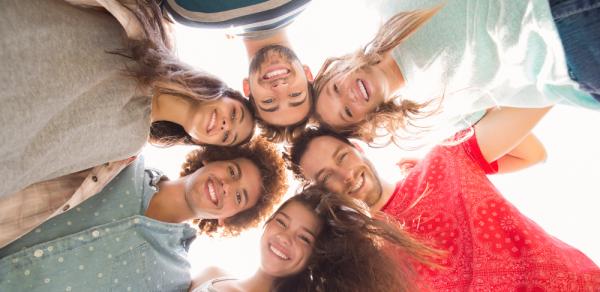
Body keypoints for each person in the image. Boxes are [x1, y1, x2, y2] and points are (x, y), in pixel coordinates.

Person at [288, 107, 600, 290]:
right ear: (322, 194)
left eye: (342, 156)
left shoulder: (443, 158)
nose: (345, 175)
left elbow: (532, 151)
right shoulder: (365, 261)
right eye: (327, 178)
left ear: (358, 149)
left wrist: (456, 127)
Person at [0, 0, 256, 198]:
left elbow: (43, 158)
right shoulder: (151, 34)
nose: (226, 126)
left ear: (199, 141)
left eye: (227, 136)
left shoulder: (130, 143)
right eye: (234, 114)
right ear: (222, 92)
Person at [0, 137, 288, 291]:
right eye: (232, 171)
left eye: (239, 196)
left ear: (228, 218)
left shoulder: (174, 279)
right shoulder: (124, 159)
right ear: (212, 158)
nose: (226, 186)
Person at [312, 0, 600, 146]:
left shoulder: (385, 6)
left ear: (338, 68)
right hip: (574, 59)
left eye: (335, 90)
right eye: (347, 112)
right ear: (365, 121)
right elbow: (509, 119)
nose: (348, 97)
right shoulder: (435, 116)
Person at [189, 185, 439, 292]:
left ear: (314, 256)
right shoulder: (211, 274)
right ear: (267, 224)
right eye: (282, 222)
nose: (285, 238)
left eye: (304, 238)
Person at [163, 0, 315, 142]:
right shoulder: (188, 14)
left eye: (269, 101)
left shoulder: (190, 12)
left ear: (247, 87)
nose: (280, 88)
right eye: (295, 95)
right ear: (308, 73)